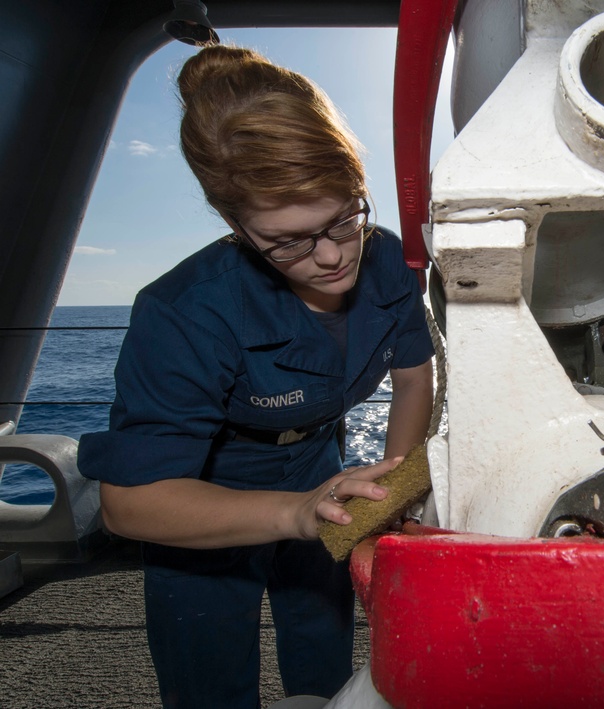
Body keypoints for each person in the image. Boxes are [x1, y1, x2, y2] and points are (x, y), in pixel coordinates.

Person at [77, 44, 434, 708]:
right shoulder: (183, 312)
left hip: (321, 471)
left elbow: (414, 377)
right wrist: (293, 512)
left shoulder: (388, 263)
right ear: (235, 225)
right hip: (204, 497)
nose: (331, 256)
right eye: (290, 241)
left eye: (343, 218)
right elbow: (127, 504)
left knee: (328, 671)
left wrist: (392, 485)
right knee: (208, 684)